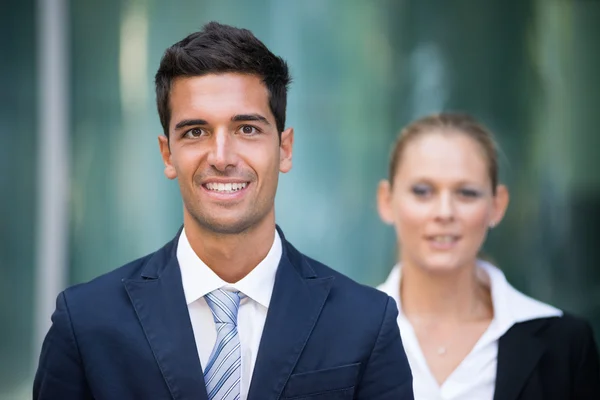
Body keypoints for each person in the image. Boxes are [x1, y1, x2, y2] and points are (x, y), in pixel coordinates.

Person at [33, 22, 414, 400]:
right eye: (195, 132)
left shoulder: (365, 323)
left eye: (246, 129)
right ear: (168, 155)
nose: (221, 157)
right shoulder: (85, 322)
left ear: (285, 148)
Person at [375, 112, 600, 400]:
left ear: (497, 204)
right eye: (423, 191)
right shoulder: (340, 335)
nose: (445, 212)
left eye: (466, 193)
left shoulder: (565, 344)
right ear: (386, 200)